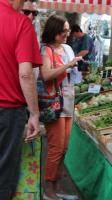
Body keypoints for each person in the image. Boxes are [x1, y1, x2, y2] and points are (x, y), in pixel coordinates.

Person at [0, 0, 42, 199]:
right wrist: (34, 113)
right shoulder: (20, 23)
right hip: (7, 112)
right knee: (3, 176)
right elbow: (25, 74)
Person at [40, 15, 82, 200]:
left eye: (67, 30)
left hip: (68, 100)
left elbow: (70, 73)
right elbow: (46, 75)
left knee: (64, 148)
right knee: (56, 148)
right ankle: (48, 190)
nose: (67, 34)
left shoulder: (67, 48)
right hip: (54, 103)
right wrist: (68, 65)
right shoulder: (45, 50)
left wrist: (77, 68)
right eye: (63, 31)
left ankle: (56, 189)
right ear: (54, 31)